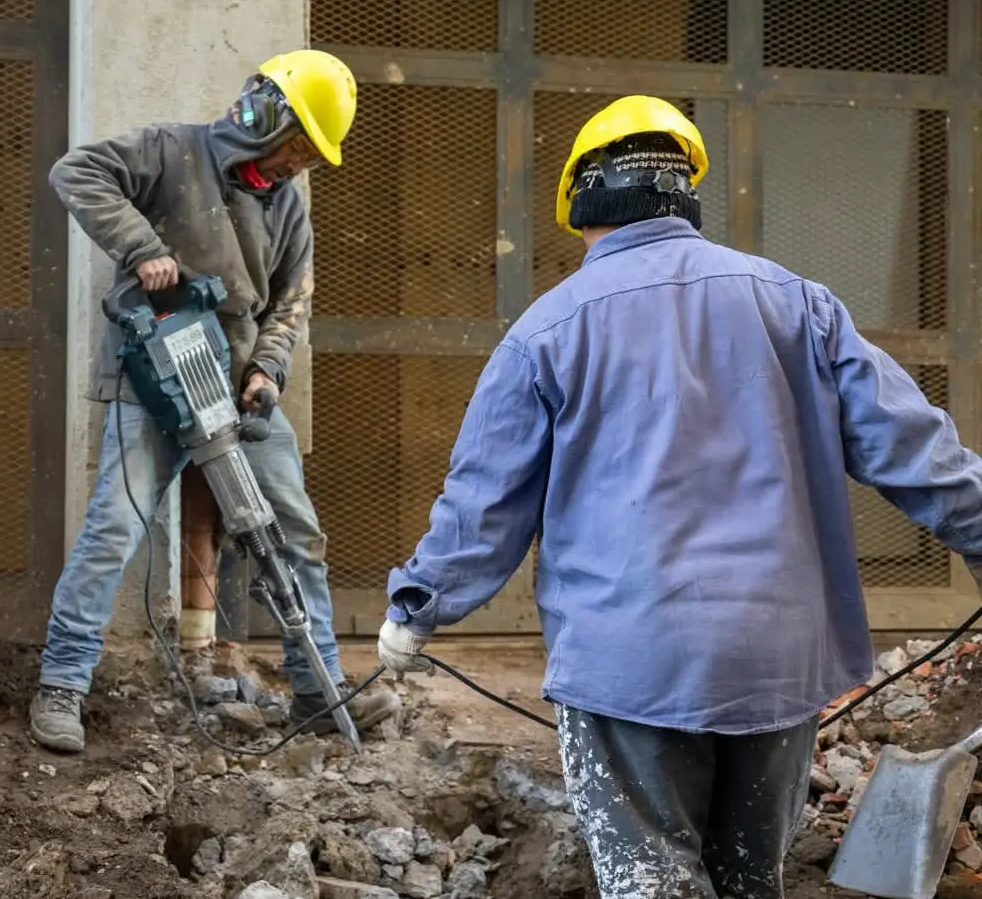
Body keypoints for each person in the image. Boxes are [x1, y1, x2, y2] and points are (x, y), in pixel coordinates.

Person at [374, 94, 982, 899]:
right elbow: (917, 450)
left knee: (651, 881)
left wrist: (417, 607)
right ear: (685, 194)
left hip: (632, 666)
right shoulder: (798, 304)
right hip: (778, 658)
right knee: (747, 879)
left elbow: (484, 506)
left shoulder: (547, 331)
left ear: (582, 207)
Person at [31, 49, 402, 754]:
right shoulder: (170, 152)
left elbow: (291, 303)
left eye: (312, 156)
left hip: (238, 390)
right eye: (299, 145)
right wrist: (141, 246)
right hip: (153, 384)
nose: (301, 163)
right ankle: (62, 682)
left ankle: (318, 691)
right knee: (114, 526)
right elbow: (74, 171)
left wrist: (267, 369)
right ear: (266, 118)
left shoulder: (289, 207)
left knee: (295, 533)